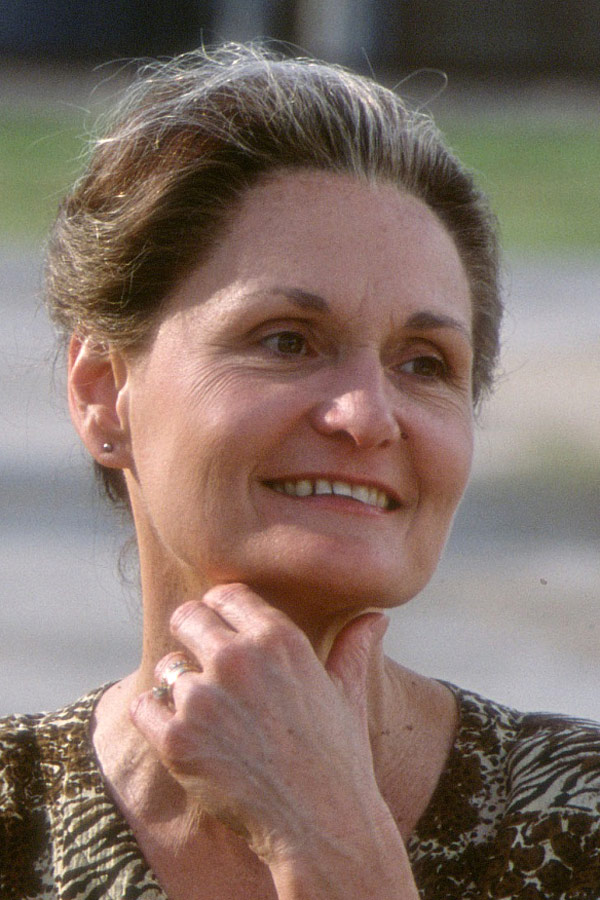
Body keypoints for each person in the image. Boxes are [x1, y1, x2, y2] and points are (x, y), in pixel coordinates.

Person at [1, 43, 599, 900]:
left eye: (424, 363)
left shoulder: (577, 821)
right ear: (102, 391)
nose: (368, 415)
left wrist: (333, 848)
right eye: (286, 342)